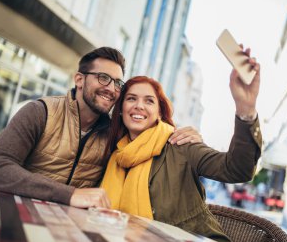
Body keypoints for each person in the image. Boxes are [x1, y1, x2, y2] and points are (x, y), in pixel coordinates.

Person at [0, 47, 201, 208]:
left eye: (117, 83)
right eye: (103, 78)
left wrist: (179, 132)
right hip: (14, 215)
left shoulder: (115, 133)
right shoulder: (40, 112)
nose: (111, 88)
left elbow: (148, 136)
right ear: (79, 80)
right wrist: (71, 195)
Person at [100, 47, 262, 241]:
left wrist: (246, 108)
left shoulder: (181, 144)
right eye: (131, 99)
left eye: (149, 101)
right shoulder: (115, 154)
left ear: (160, 113)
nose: (139, 106)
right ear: (121, 109)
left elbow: (238, 170)